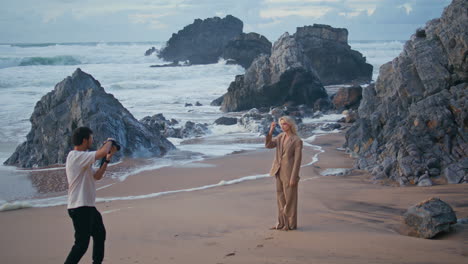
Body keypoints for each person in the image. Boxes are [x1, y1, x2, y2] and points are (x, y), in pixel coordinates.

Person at [64, 127, 117, 264]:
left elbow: (97, 176)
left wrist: (107, 160)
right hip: (80, 206)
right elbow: (103, 151)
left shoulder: (83, 160)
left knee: (100, 234)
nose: (92, 141)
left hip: (87, 206)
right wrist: (110, 141)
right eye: (91, 138)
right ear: (85, 140)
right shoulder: (75, 156)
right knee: (81, 245)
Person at [265, 116, 303, 231]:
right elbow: (268, 145)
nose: (282, 126)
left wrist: (293, 177)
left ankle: (290, 225)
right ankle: (281, 223)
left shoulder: (297, 140)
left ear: (290, 124)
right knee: (280, 198)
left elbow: (297, 161)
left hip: (289, 173)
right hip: (278, 171)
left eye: (284, 124)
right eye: (281, 124)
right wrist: (271, 131)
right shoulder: (280, 137)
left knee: (290, 199)